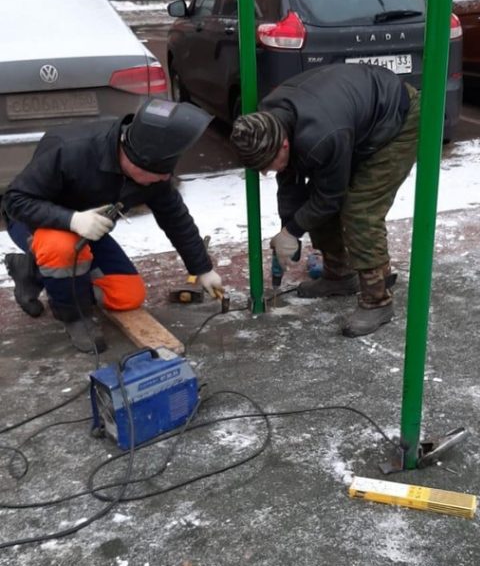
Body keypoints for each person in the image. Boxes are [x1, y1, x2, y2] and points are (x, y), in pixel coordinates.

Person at [2, 98, 223, 353]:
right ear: (135, 161)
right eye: (160, 173)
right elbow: (15, 200)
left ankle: (31, 270)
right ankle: (74, 316)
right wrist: (72, 220)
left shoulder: (152, 175)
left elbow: (175, 218)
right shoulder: (70, 151)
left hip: (88, 231)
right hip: (34, 221)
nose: (165, 177)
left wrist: (202, 268)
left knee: (127, 295)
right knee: (61, 247)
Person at [230, 63, 420, 338]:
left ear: (284, 144)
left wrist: (294, 230)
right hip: (353, 120)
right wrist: (288, 228)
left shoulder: (320, 137)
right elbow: (290, 181)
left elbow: (331, 197)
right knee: (314, 205)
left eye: (268, 164)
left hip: (396, 120)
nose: (265, 172)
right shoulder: (273, 119)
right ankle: (340, 275)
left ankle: (377, 301)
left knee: (359, 211)